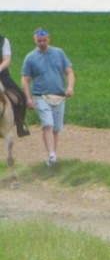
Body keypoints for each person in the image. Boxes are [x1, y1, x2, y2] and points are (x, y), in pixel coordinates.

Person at [21, 28, 75, 167]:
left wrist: (70, 87)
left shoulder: (59, 53)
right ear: (35, 40)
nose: (42, 43)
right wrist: (28, 98)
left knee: (56, 129)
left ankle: (52, 157)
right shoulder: (30, 58)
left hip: (59, 96)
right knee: (47, 124)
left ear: (49, 39)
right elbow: (25, 79)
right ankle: (51, 154)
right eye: (39, 41)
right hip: (41, 96)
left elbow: (69, 71)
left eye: (44, 40)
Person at [0, 23, 30, 136]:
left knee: (21, 96)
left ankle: (20, 126)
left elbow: (6, 59)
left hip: (2, 74)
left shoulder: (4, 41)